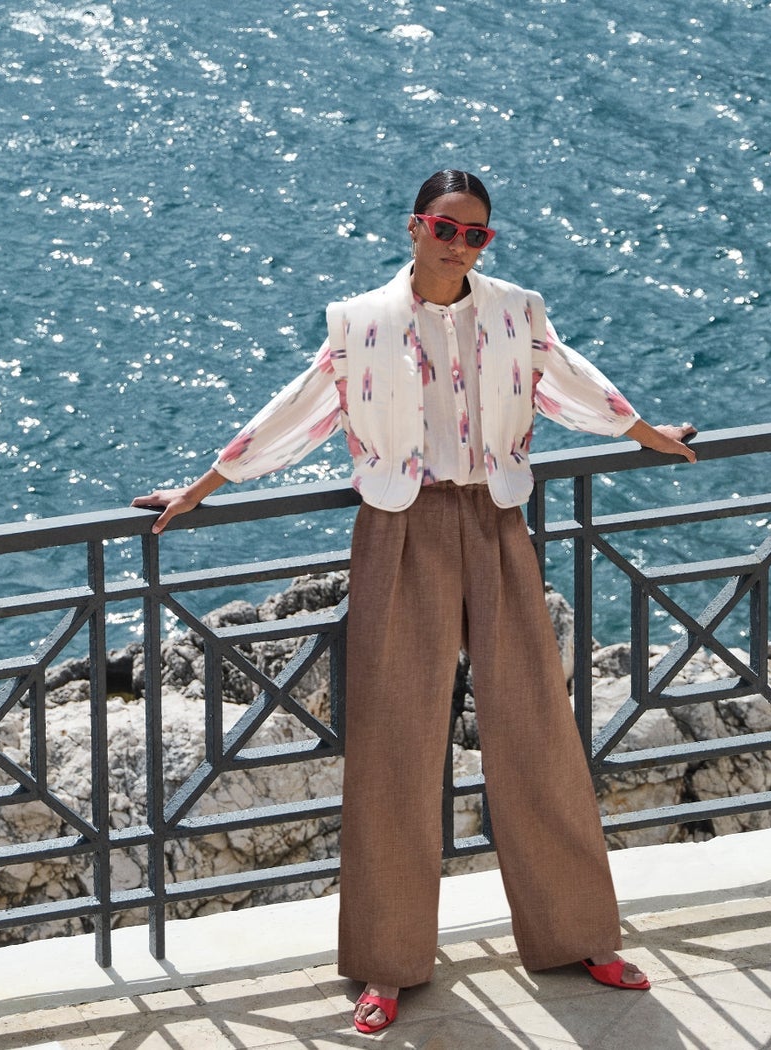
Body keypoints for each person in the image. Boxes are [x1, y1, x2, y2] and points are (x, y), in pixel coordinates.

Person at [132, 169, 702, 1036]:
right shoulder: (360, 322)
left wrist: (646, 433)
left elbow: (568, 381)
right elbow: (299, 410)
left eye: (477, 235)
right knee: (395, 748)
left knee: (538, 733)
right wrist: (204, 485)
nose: (459, 245)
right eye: (446, 228)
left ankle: (580, 936)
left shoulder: (516, 311)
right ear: (415, 226)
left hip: (498, 521)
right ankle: (388, 963)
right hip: (400, 531)